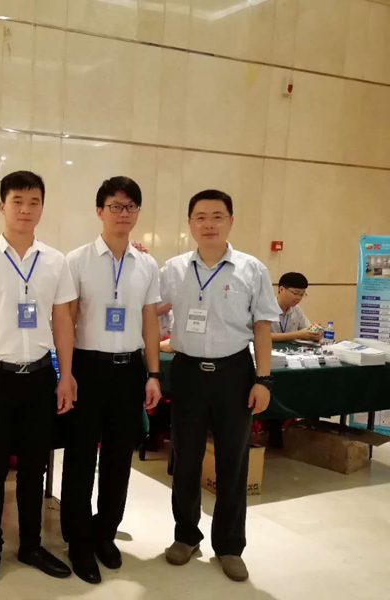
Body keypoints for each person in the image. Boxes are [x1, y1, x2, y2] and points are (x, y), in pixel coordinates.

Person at [0, 171, 77, 592]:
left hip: (40, 377)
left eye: (34, 202)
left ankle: (31, 546)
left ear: (42, 207)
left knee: (33, 468)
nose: (26, 210)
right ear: (2, 205)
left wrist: (66, 376)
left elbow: (63, 323)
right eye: (18, 201)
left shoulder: (56, 261)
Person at [159, 190, 281, 582]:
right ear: (189, 223)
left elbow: (262, 327)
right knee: (185, 459)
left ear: (230, 220)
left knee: (233, 462)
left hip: (234, 373)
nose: (208, 224)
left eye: (217, 216)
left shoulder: (252, 269)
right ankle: (185, 536)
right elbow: (150, 311)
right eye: (200, 217)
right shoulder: (172, 269)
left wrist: (263, 379)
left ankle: (229, 546)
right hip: (187, 372)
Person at [60, 176, 162, 584]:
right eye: (116, 206)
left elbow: (150, 322)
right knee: (81, 457)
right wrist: (66, 373)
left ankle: (105, 532)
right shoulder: (77, 260)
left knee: (120, 459)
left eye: (130, 207)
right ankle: (78, 541)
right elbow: (66, 321)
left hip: (129, 370)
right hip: (87, 367)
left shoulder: (147, 264)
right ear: (99, 211)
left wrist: (153, 373)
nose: (123, 213)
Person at [271, 272, 321, 343]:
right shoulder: (266, 307)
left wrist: (314, 334)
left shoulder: (296, 309)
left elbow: (306, 329)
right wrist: (297, 335)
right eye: (295, 293)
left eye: (302, 294)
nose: (298, 298)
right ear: (281, 289)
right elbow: (262, 336)